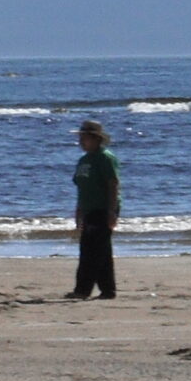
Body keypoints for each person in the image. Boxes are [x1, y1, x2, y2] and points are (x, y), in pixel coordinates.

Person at [71, 118, 121, 300]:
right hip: (88, 208)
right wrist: (79, 211)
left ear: (95, 138)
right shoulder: (84, 160)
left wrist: (111, 211)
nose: (81, 142)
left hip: (103, 208)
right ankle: (108, 290)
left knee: (92, 251)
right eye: (80, 138)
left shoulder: (105, 158)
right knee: (100, 251)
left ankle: (82, 289)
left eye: (84, 138)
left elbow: (113, 184)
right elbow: (81, 187)